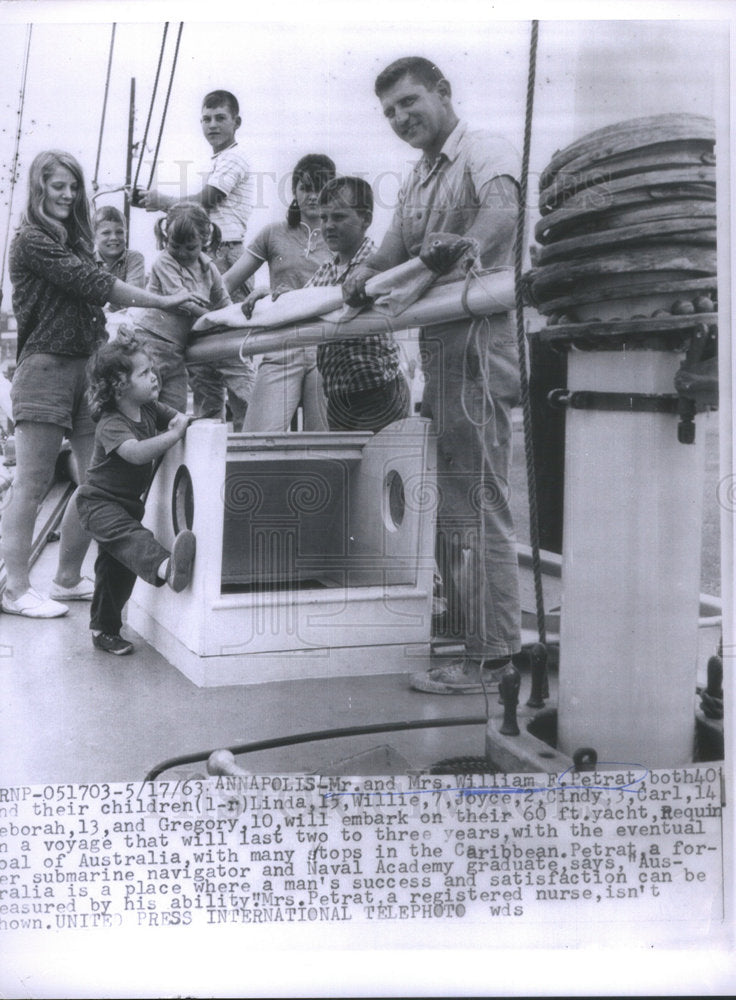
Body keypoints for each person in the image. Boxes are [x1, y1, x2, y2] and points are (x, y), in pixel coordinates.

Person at [342, 57, 523, 694]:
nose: (400, 118)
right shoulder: (419, 178)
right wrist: (362, 275)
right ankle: (479, 637)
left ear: (444, 93)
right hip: (442, 354)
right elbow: (391, 249)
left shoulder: (483, 149)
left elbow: (502, 214)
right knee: (455, 501)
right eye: (389, 111)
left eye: (410, 102)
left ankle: (492, 659)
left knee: (480, 500)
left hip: (479, 346)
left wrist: (461, 243)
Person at [1, 150, 206, 619]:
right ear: (39, 188)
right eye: (58, 186)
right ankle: (15, 589)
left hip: (88, 368)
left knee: (94, 483)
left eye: (74, 187)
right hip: (46, 370)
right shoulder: (31, 240)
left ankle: (67, 578)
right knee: (31, 482)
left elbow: (94, 299)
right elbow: (97, 285)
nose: (68, 195)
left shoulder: (75, 239)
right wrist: (166, 299)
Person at [135, 90, 256, 429]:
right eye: (206, 118)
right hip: (206, 254)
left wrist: (162, 201)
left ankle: (249, 430)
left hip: (226, 254)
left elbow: (208, 199)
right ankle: (208, 431)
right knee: (202, 361)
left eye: (220, 117)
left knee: (232, 351)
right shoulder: (215, 161)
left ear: (237, 122)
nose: (212, 124)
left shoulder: (235, 158)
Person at [251, 176, 409, 431]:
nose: (328, 226)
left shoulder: (377, 263)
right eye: (324, 218)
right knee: (343, 466)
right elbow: (300, 302)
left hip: (378, 393)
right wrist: (271, 294)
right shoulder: (327, 269)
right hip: (338, 397)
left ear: (366, 219)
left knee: (379, 465)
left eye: (338, 217)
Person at [75, 336, 196, 656]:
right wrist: (174, 434)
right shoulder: (111, 422)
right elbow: (137, 454)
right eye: (144, 373)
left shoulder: (149, 408)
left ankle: (105, 630)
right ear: (119, 386)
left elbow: (177, 419)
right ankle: (167, 568)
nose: (154, 376)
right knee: (134, 539)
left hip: (128, 505)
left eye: (152, 370)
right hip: (98, 503)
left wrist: (189, 424)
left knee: (117, 573)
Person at [222, 154, 335, 432]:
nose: (313, 195)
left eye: (321, 187)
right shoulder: (273, 233)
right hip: (282, 344)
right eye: (306, 187)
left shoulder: (340, 237)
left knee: (325, 449)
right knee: (257, 441)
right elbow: (226, 284)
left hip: (328, 347)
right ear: (294, 191)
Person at [131, 202, 231, 413]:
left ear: (204, 241)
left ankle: (170, 443)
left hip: (177, 350)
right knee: (145, 402)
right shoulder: (164, 262)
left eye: (190, 247)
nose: (182, 253)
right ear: (166, 239)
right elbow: (182, 301)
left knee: (174, 409)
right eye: (175, 246)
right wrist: (214, 319)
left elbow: (223, 301)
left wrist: (233, 319)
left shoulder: (209, 268)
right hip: (151, 341)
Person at [93, 205, 146, 296]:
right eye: (106, 233)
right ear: (94, 237)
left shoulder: (134, 258)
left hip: (126, 310)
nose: (114, 238)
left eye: (119, 232)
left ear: (126, 233)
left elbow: (133, 295)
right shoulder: (87, 261)